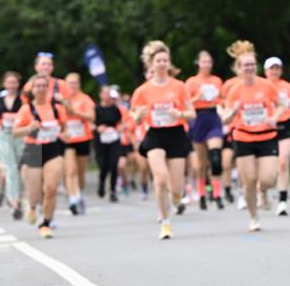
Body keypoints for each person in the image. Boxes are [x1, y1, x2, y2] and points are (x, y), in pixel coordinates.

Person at [130, 41, 195, 239]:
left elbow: (191, 113)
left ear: (169, 63)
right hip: (155, 135)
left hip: (175, 134)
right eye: (158, 60)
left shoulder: (179, 86)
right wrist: (139, 115)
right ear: (151, 64)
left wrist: (180, 113)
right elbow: (134, 116)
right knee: (160, 178)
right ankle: (165, 222)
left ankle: (176, 201)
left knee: (176, 188)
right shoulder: (143, 90)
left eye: (165, 60)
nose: (162, 64)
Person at [223, 41, 281, 232]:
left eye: (251, 64)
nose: (249, 68)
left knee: (268, 178)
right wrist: (234, 112)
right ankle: (253, 217)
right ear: (239, 68)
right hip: (243, 137)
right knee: (248, 181)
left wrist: (274, 117)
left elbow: (282, 104)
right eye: (245, 65)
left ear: (255, 66)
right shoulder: (234, 90)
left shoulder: (266, 86)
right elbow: (225, 119)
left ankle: (263, 191)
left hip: (267, 136)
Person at [13, 75, 68, 238]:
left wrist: (65, 134)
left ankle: (46, 223)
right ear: (33, 89)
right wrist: (29, 128)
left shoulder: (57, 108)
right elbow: (15, 132)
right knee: (34, 193)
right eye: (38, 86)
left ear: (48, 88)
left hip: (53, 148)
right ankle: (31, 206)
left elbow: (64, 129)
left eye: (44, 85)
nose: (41, 89)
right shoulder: (26, 109)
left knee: (51, 188)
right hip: (34, 150)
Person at [263, 56, 290, 216]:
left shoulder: (288, 87)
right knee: (268, 168)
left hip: (285, 126)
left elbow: (286, 107)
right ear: (266, 71)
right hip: (266, 127)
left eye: (277, 68)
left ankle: (282, 201)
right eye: (272, 68)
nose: (275, 71)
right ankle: (263, 191)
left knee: (283, 162)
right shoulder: (261, 86)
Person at [185, 51, 225, 210]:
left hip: (213, 117)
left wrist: (218, 101)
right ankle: (202, 193)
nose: (207, 65)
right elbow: (185, 103)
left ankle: (217, 194)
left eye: (209, 62)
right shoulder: (191, 82)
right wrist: (198, 97)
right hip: (198, 118)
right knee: (201, 163)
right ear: (198, 63)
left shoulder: (217, 80)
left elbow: (223, 99)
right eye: (204, 62)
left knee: (215, 158)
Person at [62, 72, 96, 215]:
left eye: (75, 83)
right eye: (70, 83)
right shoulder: (61, 100)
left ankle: (79, 193)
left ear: (79, 84)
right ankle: (73, 199)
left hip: (82, 138)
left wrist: (75, 112)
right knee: (70, 170)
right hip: (67, 139)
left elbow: (91, 117)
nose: (72, 86)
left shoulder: (85, 99)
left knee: (81, 171)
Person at [0, 71, 24, 219]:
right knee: (11, 169)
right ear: (4, 84)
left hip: (20, 136)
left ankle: (19, 195)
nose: (12, 85)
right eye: (9, 82)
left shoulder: (23, 100)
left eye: (14, 82)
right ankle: (14, 203)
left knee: (21, 168)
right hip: (5, 136)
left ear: (18, 84)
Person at [94, 85, 123, 201]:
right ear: (100, 95)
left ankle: (112, 191)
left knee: (114, 164)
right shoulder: (96, 109)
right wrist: (98, 128)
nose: (107, 95)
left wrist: (119, 128)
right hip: (100, 141)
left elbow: (120, 122)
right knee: (103, 166)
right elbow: (91, 123)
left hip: (113, 140)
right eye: (104, 93)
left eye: (108, 93)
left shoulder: (115, 109)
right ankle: (101, 183)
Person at [220, 58, 243, 205]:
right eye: (240, 65)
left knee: (242, 162)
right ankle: (227, 189)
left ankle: (243, 191)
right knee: (226, 163)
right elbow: (222, 103)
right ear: (235, 68)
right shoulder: (229, 85)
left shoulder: (257, 84)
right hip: (230, 128)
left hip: (246, 128)